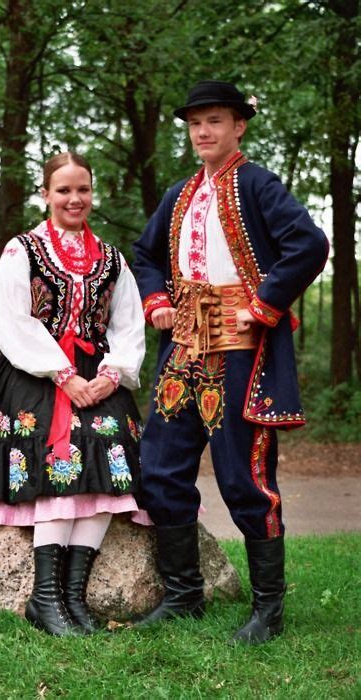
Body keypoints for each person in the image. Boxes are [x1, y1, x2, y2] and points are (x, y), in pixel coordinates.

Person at [0, 151, 146, 637]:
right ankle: (45, 598)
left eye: (82, 189)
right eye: (64, 190)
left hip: (97, 374)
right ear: (47, 195)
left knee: (108, 453)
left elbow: (128, 322)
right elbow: (12, 320)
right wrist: (62, 374)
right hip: (33, 373)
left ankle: (73, 600)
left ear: (91, 194)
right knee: (60, 457)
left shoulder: (112, 258)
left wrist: (113, 372)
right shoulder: (24, 251)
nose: (74, 199)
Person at [132, 80, 329, 643]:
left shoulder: (259, 185)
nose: (203, 132)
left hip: (242, 353)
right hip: (183, 349)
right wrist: (159, 300)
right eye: (196, 124)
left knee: (245, 477)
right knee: (161, 467)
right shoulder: (179, 194)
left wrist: (264, 304)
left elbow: (309, 244)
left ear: (238, 126)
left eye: (214, 121)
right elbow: (147, 255)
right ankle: (182, 595)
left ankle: (269, 610)